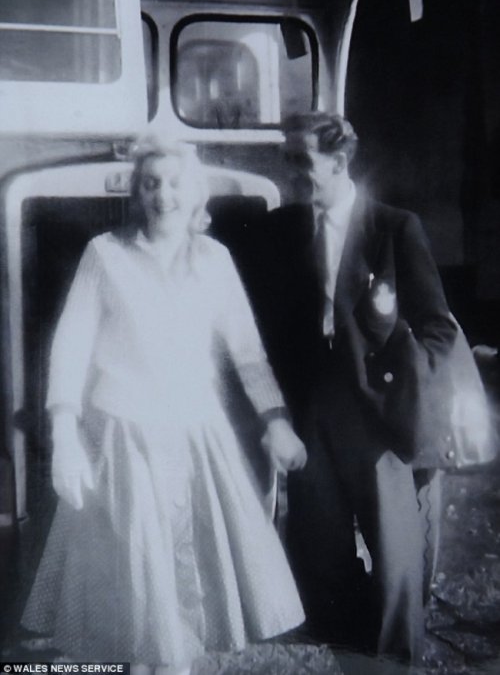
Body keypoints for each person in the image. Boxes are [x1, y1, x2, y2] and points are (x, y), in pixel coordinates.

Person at [21, 139, 307, 674]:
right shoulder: (105, 254)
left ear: (194, 191)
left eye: (174, 183)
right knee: (135, 593)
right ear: (137, 193)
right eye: (150, 184)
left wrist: (276, 421)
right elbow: (72, 346)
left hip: (196, 437)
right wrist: (64, 437)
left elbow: (248, 354)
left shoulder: (215, 260)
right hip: (122, 439)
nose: (163, 195)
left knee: (189, 583)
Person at [240, 113, 457, 666]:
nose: (290, 173)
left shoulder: (394, 228)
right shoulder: (278, 230)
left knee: (395, 558)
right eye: (286, 159)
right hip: (309, 409)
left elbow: (438, 327)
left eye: (301, 160)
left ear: (338, 162)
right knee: (317, 556)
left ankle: (394, 663)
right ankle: (354, 659)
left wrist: (407, 390)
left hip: (376, 415)